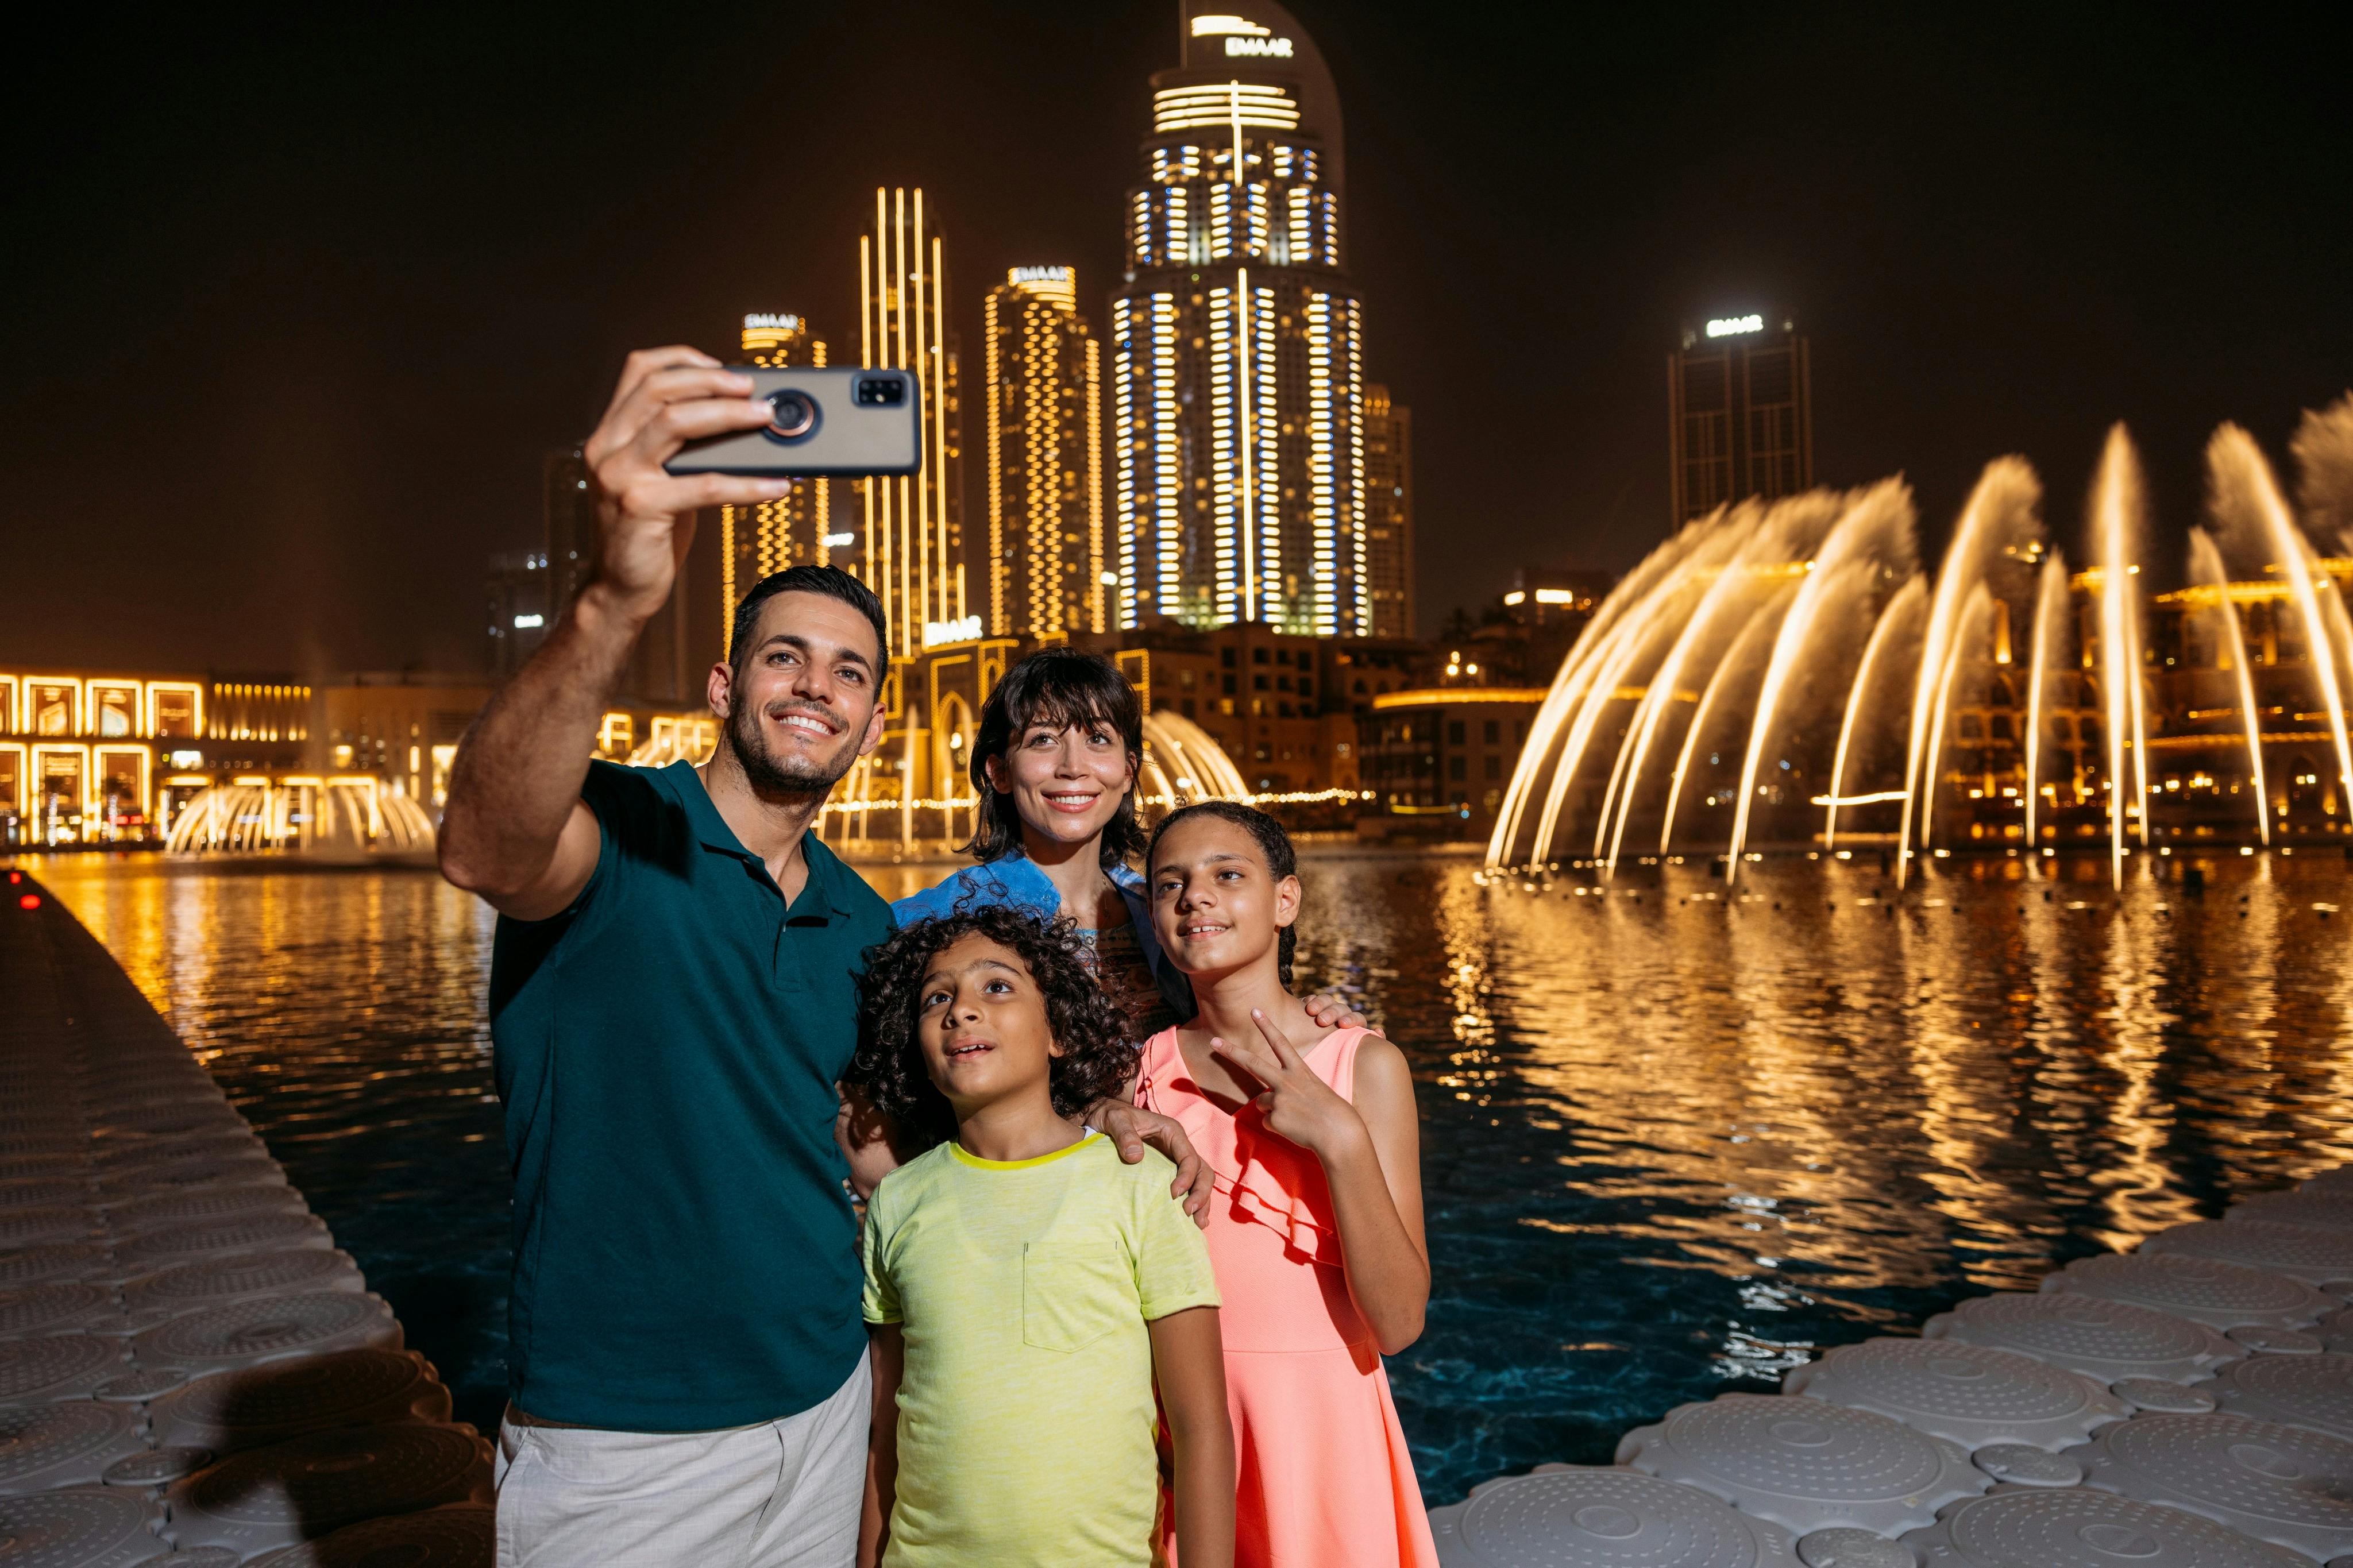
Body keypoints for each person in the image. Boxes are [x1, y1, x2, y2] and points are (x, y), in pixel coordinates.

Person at [439, 346, 1207, 1568]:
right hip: (623, 1435)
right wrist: (612, 599)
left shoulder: (868, 922)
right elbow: (482, 846)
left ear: (875, 720)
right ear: (721, 682)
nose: (816, 687)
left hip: (826, 1402)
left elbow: (892, 1133)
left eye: (849, 671)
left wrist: (1099, 1113)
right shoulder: (617, 833)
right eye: (784, 657)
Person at [850, 906, 1235, 1568]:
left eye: (995, 987)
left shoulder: (1140, 1187)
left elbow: (1201, 1428)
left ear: (1059, 1031)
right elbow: (887, 1427)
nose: (960, 1011)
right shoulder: (899, 1202)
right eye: (935, 997)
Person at [1140, 802, 1438, 1568]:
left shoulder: (1362, 1065)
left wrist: (1339, 1139)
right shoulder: (1142, 1070)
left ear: (1286, 900)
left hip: (1320, 1428)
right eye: (1169, 883)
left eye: (1227, 875)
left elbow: (1400, 1322)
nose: (1195, 896)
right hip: (1176, 1422)